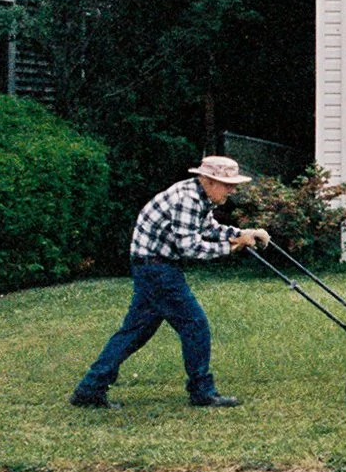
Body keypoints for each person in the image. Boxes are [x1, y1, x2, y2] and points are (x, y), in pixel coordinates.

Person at [70, 156, 270, 409]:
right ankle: (202, 392)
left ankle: (89, 390)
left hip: (153, 265)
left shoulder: (201, 197)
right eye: (227, 185)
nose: (232, 190)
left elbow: (208, 228)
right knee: (195, 325)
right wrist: (232, 247)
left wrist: (242, 233)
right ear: (208, 180)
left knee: (135, 332)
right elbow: (190, 247)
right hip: (156, 268)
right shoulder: (187, 199)